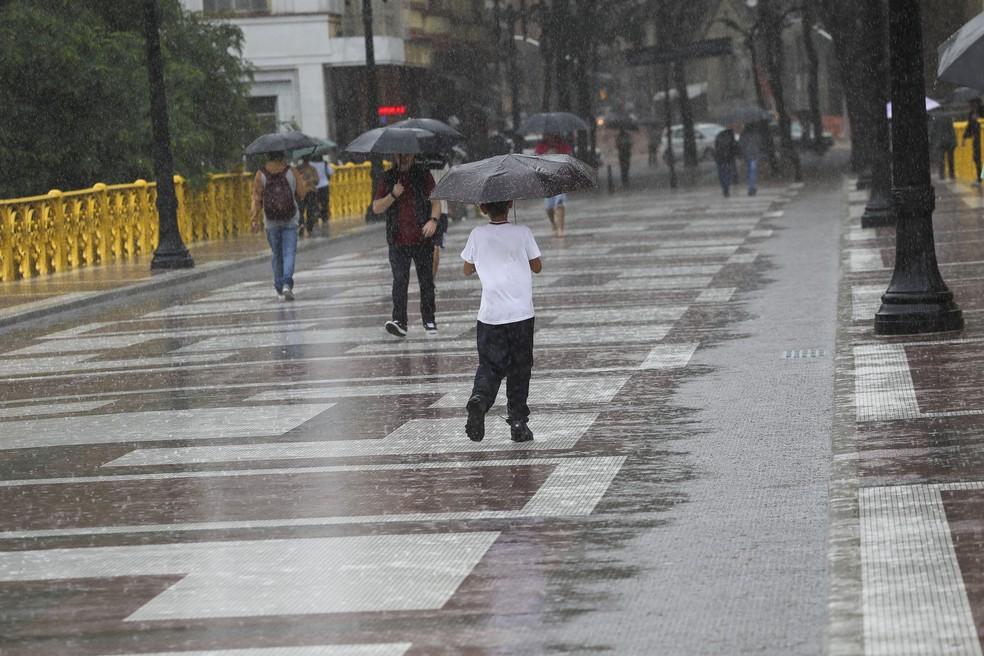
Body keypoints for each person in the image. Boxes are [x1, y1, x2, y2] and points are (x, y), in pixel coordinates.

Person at [461, 199, 542, 443]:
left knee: (490, 365)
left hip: (490, 316)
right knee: (520, 368)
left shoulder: (477, 234)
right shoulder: (523, 232)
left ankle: (480, 400)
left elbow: (467, 269)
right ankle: (518, 422)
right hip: (521, 315)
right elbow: (537, 266)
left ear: (483, 208)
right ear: (510, 204)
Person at [371, 153, 441, 337]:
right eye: (399, 153)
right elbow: (377, 207)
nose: (403, 157)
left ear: (414, 155)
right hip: (397, 239)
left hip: (422, 238)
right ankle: (399, 321)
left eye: (407, 154)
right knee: (400, 281)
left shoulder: (423, 175)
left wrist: (433, 220)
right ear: (394, 155)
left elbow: (436, 202)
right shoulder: (387, 178)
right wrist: (393, 194)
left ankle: (429, 319)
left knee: (426, 281)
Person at [250, 151, 308, 301]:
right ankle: (287, 284)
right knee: (289, 252)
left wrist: (254, 219)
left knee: (277, 254)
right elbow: (301, 194)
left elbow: (256, 198)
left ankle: (278, 285)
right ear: (283, 155)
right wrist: (303, 183)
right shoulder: (291, 171)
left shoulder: (260, 174)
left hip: (271, 221)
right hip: (290, 219)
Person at [535, 133, 572, 236]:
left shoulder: (563, 145)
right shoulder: (541, 147)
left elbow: (568, 160)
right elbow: (537, 162)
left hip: (560, 179)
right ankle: (553, 224)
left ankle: (561, 228)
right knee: (549, 207)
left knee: (560, 204)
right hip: (547, 180)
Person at [295, 156, 320, 236]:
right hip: (310, 192)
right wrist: (310, 181)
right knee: (310, 210)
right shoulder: (312, 169)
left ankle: (301, 224)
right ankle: (309, 227)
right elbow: (317, 181)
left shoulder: (297, 169)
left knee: (300, 210)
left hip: (300, 192)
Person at [929, 111, 957, 181]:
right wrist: (954, 140)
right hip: (949, 141)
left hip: (940, 142)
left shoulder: (936, 119)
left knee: (941, 159)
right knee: (950, 159)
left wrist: (932, 140)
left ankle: (942, 175)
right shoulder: (948, 118)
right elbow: (952, 130)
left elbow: (933, 132)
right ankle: (952, 174)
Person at [713, 126, 739, 197]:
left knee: (722, 174)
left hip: (720, 159)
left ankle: (724, 187)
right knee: (727, 174)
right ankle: (726, 188)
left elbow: (716, 148)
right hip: (728, 159)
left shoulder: (719, 136)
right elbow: (735, 148)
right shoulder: (731, 138)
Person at [738, 122, 762, 197]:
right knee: (753, 171)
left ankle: (751, 187)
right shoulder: (756, 134)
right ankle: (751, 188)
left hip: (747, 155)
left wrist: (741, 154)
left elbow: (741, 145)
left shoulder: (743, 135)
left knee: (749, 171)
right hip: (754, 154)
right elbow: (759, 143)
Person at [963, 99, 982, 184]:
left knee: (979, 159)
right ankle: (980, 177)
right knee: (976, 159)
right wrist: (964, 137)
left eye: (972, 104)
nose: (970, 106)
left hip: (981, 139)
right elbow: (969, 127)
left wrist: (979, 119)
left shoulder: (981, 111)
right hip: (976, 140)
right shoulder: (971, 114)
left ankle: (980, 178)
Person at [311, 154, 333, 225]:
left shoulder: (310, 164)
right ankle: (324, 218)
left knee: (314, 204)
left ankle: (316, 217)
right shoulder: (325, 164)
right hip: (324, 185)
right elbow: (331, 172)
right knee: (325, 203)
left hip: (314, 187)